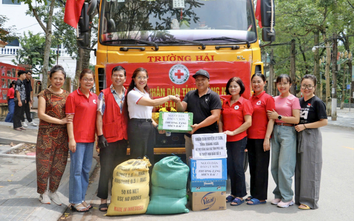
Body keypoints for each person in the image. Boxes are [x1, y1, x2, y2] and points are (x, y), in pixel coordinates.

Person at [125, 67, 180, 166]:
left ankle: (148, 180)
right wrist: (170, 97)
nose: (142, 80)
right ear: (134, 79)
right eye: (139, 77)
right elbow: (153, 103)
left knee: (149, 155)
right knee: (138, 156)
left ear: (147, 78)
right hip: (138, 127)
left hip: (148, 126)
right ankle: (138, 180)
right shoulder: (132, 93)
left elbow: (148, 115)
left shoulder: (145, 93)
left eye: (144, 77)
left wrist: (157, 126)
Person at [36, 65, 71, 205]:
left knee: (59, 164)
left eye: (60, 78)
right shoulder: (44, 94)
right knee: (44, 164)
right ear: (50, 78)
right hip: (46, 136)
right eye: (55, 78)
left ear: (64, 79)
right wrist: (60, 121)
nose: (58, 81)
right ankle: (42, 193)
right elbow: (41, 114)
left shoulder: (68, 95)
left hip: (62, 136)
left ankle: (53, 191)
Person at [96, 66, 128, 212]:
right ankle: (103, 200)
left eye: (121, 75)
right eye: (115, 75)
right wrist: (100, 135)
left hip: (123, 137)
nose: (118, 78)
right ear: (112, 77)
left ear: (125, 78)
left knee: (119, 170)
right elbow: (99, 116)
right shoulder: (104, 94)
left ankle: (116, 198)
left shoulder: (129, 94)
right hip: (108, 138)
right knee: (106, 170)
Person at [66, 69, 98, 212]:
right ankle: (74, 201)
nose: (88, 82)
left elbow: (97, 120)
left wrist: (97, 138)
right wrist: (71, 139)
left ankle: (82, 199)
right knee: (76, 171)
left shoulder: (95, 97)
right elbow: (69, 120)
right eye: (85, 79)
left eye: (91, 79)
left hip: (90, 139)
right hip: (77, 140)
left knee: (85, 170)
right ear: (80, 80)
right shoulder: (73, 97)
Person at [267, 74, 300, 208]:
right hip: (276, 131)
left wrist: (279, 116)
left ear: (290, 85)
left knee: (284, 166)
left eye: (285, 83)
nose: (282, 86)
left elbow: (296, 119)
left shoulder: (294, 99)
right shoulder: (274, 99)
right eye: (279, 83)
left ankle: (288, 197)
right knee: (274, 167)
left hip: (288, 132)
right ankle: (279, 194)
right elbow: (271, 119)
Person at [295, 74, 327, 210]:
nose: (306, 88)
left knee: (311, 168)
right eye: (304, 85)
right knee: (300, 168)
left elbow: (324, 122)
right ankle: (299, 198)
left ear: (314, 87)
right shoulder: (298, 101)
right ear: (300, 86)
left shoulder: (317, 102)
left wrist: (305, 126)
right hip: (299, 136)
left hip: (311, 136)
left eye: (309, 86)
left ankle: (309, 201)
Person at [218, 77, 253, 206]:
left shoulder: (245, 102)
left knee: (238, 167)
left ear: (240, 88)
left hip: (239, 138)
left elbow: (248, 122)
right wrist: (222, 132)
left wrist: (233, 132)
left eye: (235, 86)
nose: (232, 88)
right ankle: (233, 193)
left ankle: (241, 195)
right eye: (231, 86)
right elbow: (221, 119)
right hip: (226, 139)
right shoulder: (225, 102)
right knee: (230, 167)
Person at [176, 69, 222, 164]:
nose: (200, 82)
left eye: (203, 79)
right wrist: (177, 102)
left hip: (207, 137)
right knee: (191, 162)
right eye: (197, 80)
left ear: (208, 81)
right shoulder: (190, 94)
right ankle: (191, 179)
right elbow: (181, 109)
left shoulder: (213, 96)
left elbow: (215, 116)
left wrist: (198, 126)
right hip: (190, 137)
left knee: (205, 164)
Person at [246, 73, 275, 205]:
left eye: (259, 81)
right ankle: (254, 193)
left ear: (264, 82)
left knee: (261, 167)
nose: (256, 84)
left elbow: (271, 120)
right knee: (253, 167)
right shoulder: (250, 99)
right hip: (250, 138)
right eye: (254, 82)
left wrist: (267, 138)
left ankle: (261, 197)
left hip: (262, 138)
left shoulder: (267, 98)